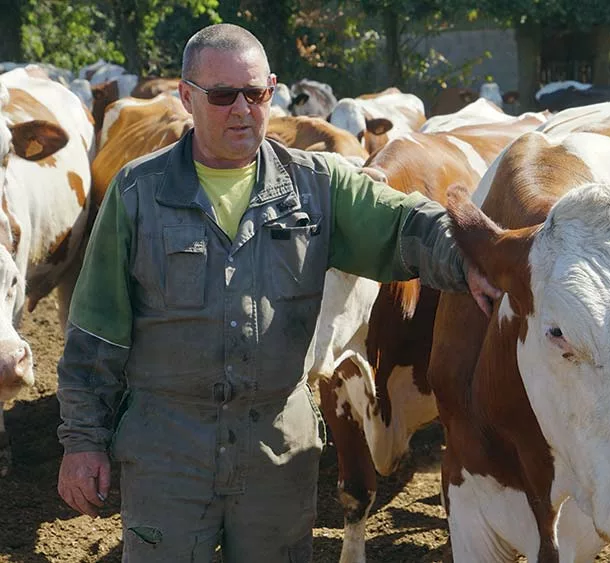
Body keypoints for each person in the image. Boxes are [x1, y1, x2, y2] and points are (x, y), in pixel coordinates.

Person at [55, 23, 499, 562]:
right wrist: (82, 441)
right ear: (187, 97)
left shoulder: (316, 186)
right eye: (223, 96)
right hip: (167, 450)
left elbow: (403, 224)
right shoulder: (137, 193)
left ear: (271, 90)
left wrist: (472, 256)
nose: (243, 109)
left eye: (257, 93)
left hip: (276, 453)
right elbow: (94, 332)